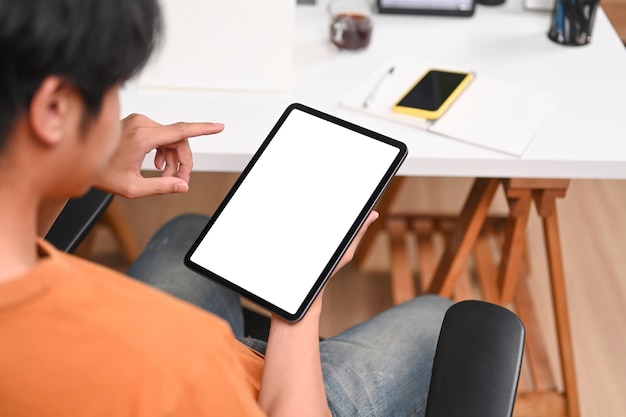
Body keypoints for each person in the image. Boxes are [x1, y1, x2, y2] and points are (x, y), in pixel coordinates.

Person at [0, 0, 452, 416]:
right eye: (115, 87)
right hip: (261, 396)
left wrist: (70, 165)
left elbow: (25, 249)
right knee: (439, 319)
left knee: (187, 231)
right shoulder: (185, 362)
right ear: (53, 108)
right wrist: (299, 299)